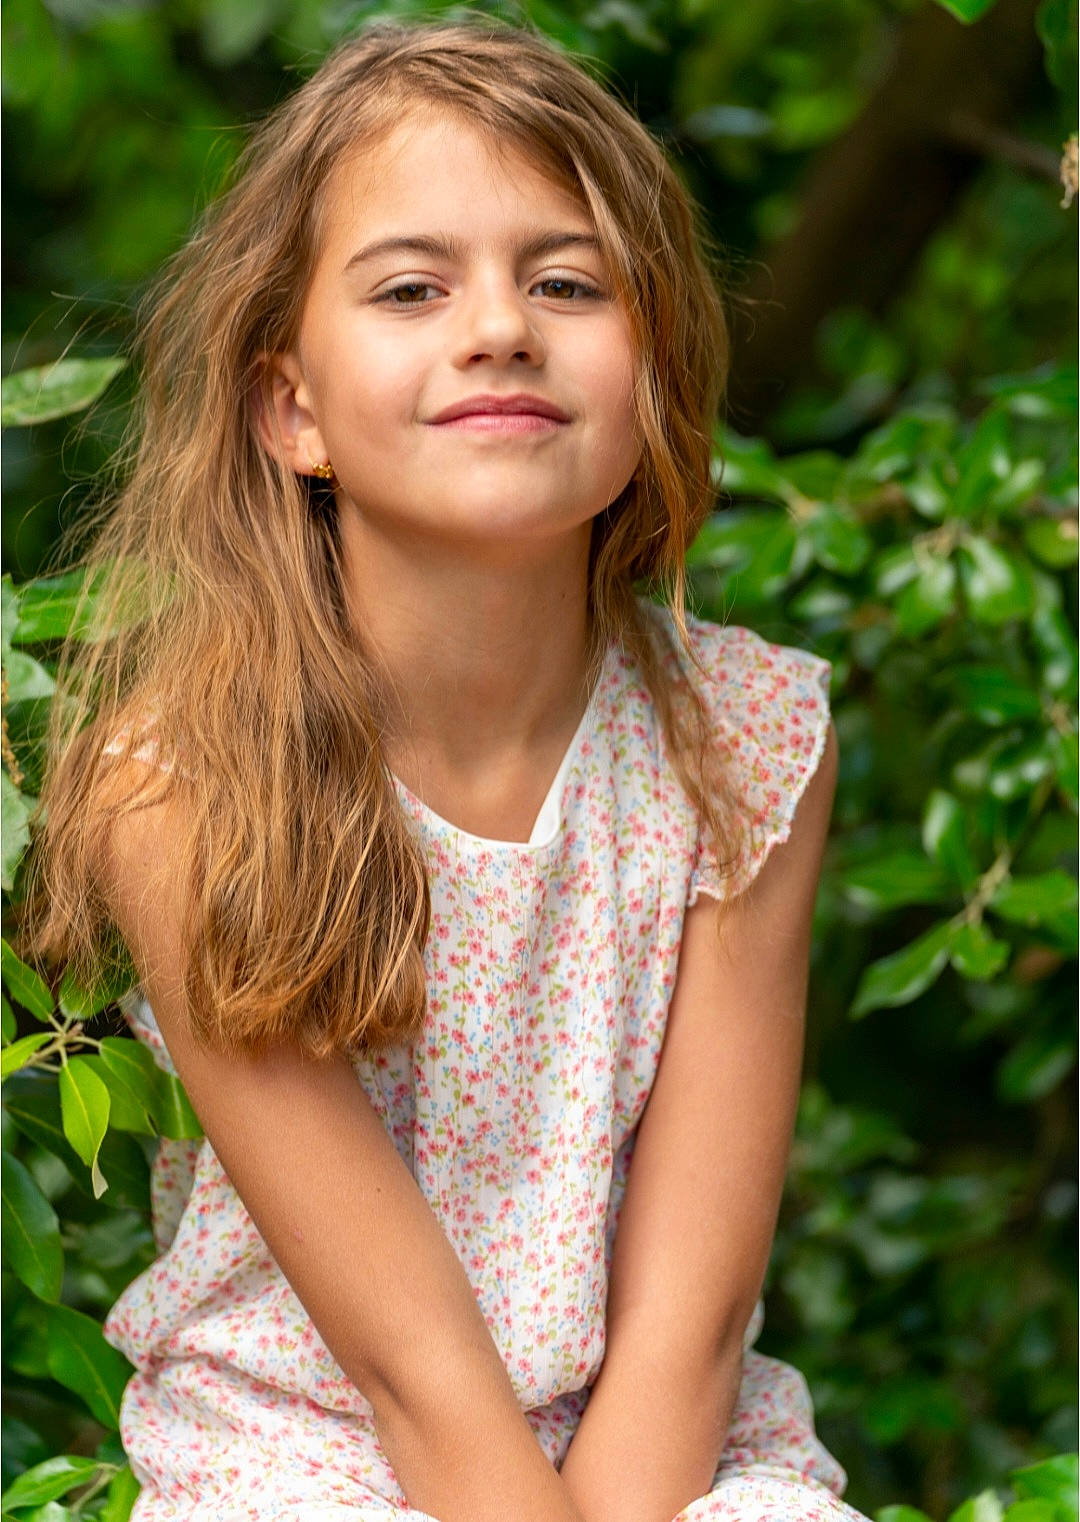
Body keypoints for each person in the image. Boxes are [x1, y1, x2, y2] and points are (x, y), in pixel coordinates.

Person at [26, 17, 868, 1522]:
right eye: (412, 288)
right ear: (291, 408)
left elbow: (689, 1331)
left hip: (665, 1462)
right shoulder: (187, 786)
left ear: (653, 376)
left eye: (568, 283)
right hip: (305, 1462)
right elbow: (411, 1369)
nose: (499, 329)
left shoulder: (746, 743)